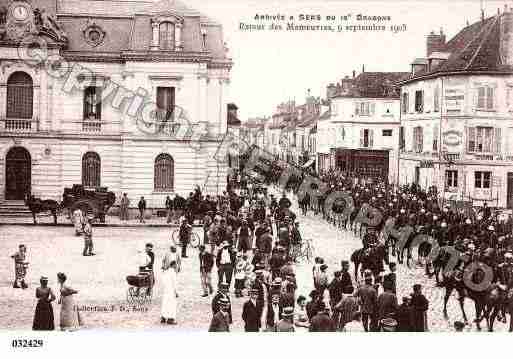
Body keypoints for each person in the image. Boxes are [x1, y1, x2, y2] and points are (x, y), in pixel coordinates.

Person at [160, 259, 178, 325]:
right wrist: (176, 292)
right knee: (172, 304)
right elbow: (174, 283)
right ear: (173, 265)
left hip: (165, 290)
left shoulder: (165, 272)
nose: (176, 266)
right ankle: (170, 319)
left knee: (165, 303)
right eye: (176, 265)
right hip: (171, 291)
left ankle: (163, 318)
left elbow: (163, 281)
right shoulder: (173, 273)